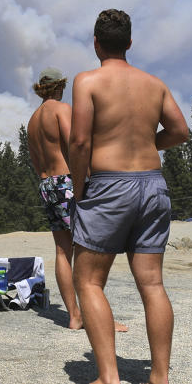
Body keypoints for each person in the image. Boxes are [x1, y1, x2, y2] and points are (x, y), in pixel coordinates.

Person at [68, 9, 189, 384]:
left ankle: (109, 376)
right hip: (153, 184)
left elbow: (80, 140)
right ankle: (160, 376)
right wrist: (149, 142)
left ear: (96, 43)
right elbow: (180, 131)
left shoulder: (88, 81)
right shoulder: (154, 83)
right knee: (152, 283)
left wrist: (78, 185)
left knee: (87, 281)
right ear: (130, 43)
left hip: (109, 184)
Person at [27, 67, 128, 333]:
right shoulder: (61, 109)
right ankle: (97, 318)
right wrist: (89, 179)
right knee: (91, 248)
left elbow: (36, 161)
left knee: (62, 250)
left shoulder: (33, 120)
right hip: (68, 182)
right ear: (59, 87)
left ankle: (74, 316)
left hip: (47, 184)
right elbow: (76, 145)